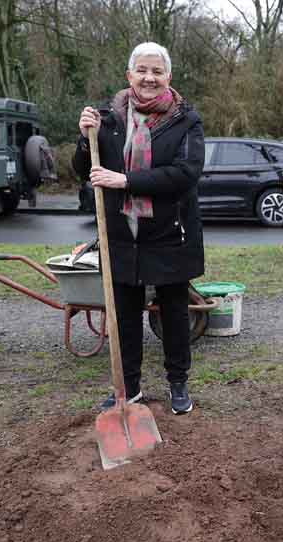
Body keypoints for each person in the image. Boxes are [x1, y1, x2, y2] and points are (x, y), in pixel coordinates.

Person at [73, 42, 205, 415]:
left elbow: (185, 173)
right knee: (124, 315)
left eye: (157, 71)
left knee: (174, 313)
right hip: (122, 235)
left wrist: (126, 180)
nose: (149, 78)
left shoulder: (186, 120)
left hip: (170, 232)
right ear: (129, 75)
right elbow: (85, 170)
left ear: (168, 78)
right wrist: (86, 139)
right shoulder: (109, 119)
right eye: (142, 70)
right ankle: (128, 389)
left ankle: (178, 384)